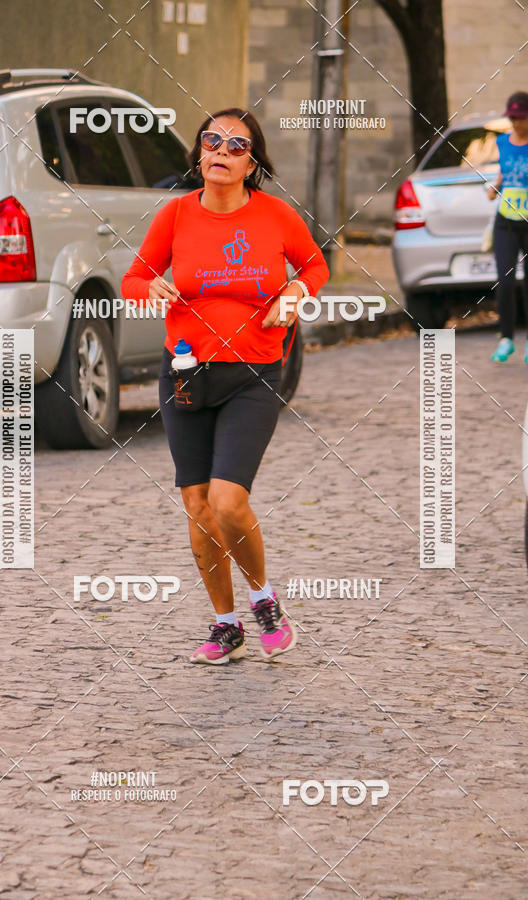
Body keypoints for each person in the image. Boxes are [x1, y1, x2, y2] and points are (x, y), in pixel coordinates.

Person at [121, 107, 329, 665]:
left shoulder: (277, 216)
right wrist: (150, 292)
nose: (221, 150)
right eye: (211, 140)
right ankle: (225, 625)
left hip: (254, 374)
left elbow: (314, 266)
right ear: (198, 153)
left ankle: (264, 601)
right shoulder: (175, 215)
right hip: (185, 374)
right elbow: (133, 277)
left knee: (227, 501)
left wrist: (293, 296)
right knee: (197, 506)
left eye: (236, 145)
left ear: (251, 162)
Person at [486, 91, 528, 362]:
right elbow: (504, 171)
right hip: (505, 221)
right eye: (511, 117)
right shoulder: (503, 142)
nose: (515, 122)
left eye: (519, 117)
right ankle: (506, 340)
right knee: (505, 280)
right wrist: (494, 186)